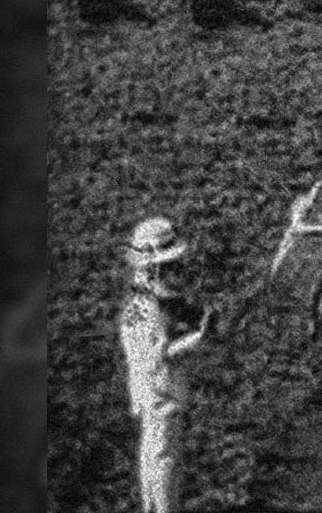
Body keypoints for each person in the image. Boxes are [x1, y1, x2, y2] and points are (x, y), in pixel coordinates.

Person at [119, 216, 215, 513]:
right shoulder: (144, 310)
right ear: (150, 266)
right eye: (168, 264)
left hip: (152, 392)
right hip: (161, 393)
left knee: (152, 455)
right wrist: (199, 337)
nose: (175, 270)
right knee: (164, 462)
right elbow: (162, 354)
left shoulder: (143, 301)